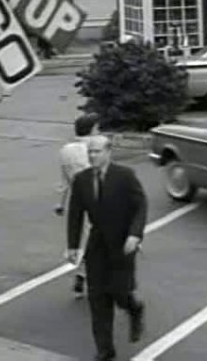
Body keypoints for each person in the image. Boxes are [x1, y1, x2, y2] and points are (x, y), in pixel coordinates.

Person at [67, 135, 147, 361]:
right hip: (97, 246)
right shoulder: (82, 180)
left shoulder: (124, 176)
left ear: (109, 152)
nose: (92, 155)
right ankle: (105, 350)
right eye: (90, 152)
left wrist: (135, 234)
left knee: (120, 293)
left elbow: (141, 205)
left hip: (123, 244)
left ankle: (134, 309)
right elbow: (75, 214)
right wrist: (72, 245)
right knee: (98, 298)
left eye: (97, 151)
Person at [57, 112, 99, 298]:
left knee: (88, 235)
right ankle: (87, 274)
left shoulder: (65, 150)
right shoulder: (92, 149)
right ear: (92, 130)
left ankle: (83, 273)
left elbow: (64, 179)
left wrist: (61, 203)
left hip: (77, 196)